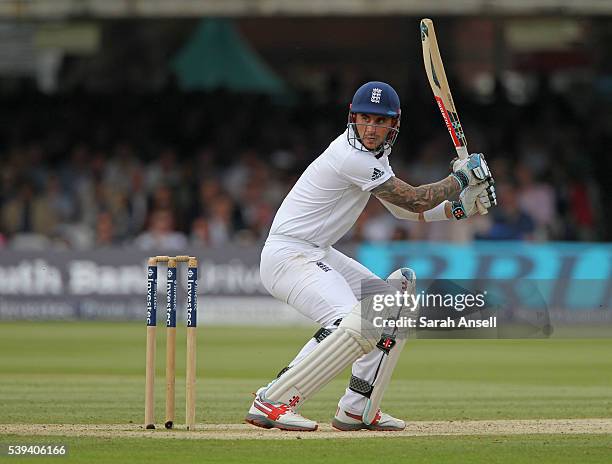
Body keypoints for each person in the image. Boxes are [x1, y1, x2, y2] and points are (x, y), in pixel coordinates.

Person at [245, 81, 496, 432]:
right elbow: (415, 199)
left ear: (394, 125)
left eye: (380, 121)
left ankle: (357, 406)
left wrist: (456, 210)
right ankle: (272, 399)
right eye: (365, 119)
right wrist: (461, 178)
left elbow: (401, 211)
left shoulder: (376, 158)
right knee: (347, 321)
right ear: (352, 118)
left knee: (392, 308)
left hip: (317, 251)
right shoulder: (350, 156)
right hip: (289, 255)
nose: (371, 128)